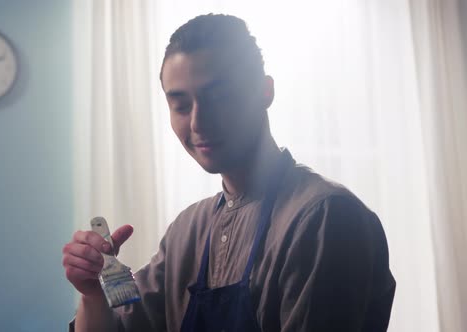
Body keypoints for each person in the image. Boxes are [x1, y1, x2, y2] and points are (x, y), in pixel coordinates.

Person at [62, 14, 396, 332]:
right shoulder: (187, 230)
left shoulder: (325, 217)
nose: (197, 122)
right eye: (180, 105)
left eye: (218, 98)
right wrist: (93, 293)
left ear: (265, 91)